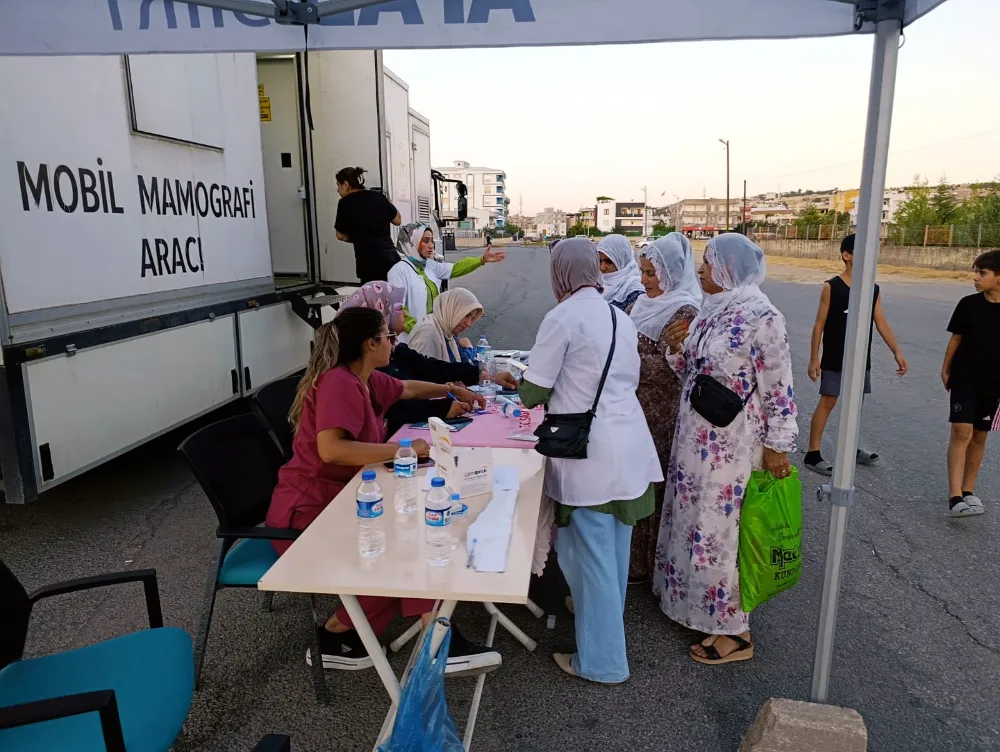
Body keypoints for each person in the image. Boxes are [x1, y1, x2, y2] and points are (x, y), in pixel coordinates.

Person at [265, 307, 499, 675]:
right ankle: (434, 642)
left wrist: (453, 389)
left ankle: (344, 636)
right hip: (308, 513)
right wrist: (403, 451)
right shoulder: (338, 383)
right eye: (388, 338)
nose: (394, 342)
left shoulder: (364, 377)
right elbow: (331, 450)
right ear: (370, 344)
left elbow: (406, 389)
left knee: (411, 539)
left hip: (345, 498)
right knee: (404, 552)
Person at [519, 237, 662, 685]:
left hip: (590, 452)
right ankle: (596, 618)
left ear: (560, 273)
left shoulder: (562, 317)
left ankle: (602, 662)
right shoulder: (619, 316)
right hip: (629, 445)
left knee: (592, 556)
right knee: (611, 553)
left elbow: (532, 392)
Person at [653, 233, 798, 666]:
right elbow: (694, 371)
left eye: (708, 263)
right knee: (692, 523)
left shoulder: (762, 316)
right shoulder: (712, 312)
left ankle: (735, 630)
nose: (700, 271)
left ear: (728, 269)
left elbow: (779, 385)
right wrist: (677, 348)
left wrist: (778, 445)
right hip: (695, 441)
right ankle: (693, 606)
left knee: (721, 531)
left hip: (733, 445)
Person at [627, 233, 702, 584]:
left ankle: (646, 566)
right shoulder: (641, 304)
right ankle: (633, 560)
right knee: (633, 478)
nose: (644, 281)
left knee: (652, 483)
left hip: (661, 412)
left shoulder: (684, 310)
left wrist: (624, 361)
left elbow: (673, 367)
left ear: (671, 273)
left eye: (651, 274)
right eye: (642, 272)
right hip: (633, 405)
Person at [337, 281, 501, 435]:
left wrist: (472, 378)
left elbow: (409, 385)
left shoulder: (389, 354)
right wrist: (443, 407)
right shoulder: (350, 376)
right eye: (399, 308)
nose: (406, 314)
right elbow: (393, 409)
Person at [804, 233, 907, 475]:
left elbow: (880, 322)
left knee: (855, 405)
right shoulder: (832, 287)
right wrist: (814, 358)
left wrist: (897, 351)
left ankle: (850, 448)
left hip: (861, 359)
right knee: (828, 401)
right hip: (835, 356)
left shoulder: (872, 289)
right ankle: (812, 453)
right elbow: (819, 324)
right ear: (847, 256)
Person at [941, 249, 1000, 518]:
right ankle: (954, 497)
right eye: (975, 272)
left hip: (993, 384)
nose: (975, 278)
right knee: (961, 432)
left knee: (979, 435)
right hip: (965, 377)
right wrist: (945, 369)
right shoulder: (968, 304)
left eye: (982, 273)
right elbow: (956, 339)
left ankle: (968, 490)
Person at [389, 223, 506, 332]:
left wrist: (481, 260)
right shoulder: (398, 271)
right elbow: (398, 310)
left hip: (431, 335)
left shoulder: (429, 265)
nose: (431, 246)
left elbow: (455, 269)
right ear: (411, 243)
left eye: (431, 241)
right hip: (411, 341)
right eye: (425, 241)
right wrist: (420, 331)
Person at [333, 167, 402, 284]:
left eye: (338, 186)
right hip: (392, 259)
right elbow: (398, 220)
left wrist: (359, 238)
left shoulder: (345, 203)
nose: (337, 190)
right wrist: (389, 203)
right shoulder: (378, 197)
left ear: (346, 184)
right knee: (394, 297)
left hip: (369, 263)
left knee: (373, 300)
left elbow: (340, 235)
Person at [406, 288, 484, 366]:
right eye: (466, 315)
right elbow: (419, 372)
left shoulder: (447, 332)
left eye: (472, 318)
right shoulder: (428, 331)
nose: (469, 323)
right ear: (451, 309)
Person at [597, 234, 645, 312]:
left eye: (609, 261)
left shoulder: (636, 294)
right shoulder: (604, 288)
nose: (602, 267)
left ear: (622, 260)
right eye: (600, 261)